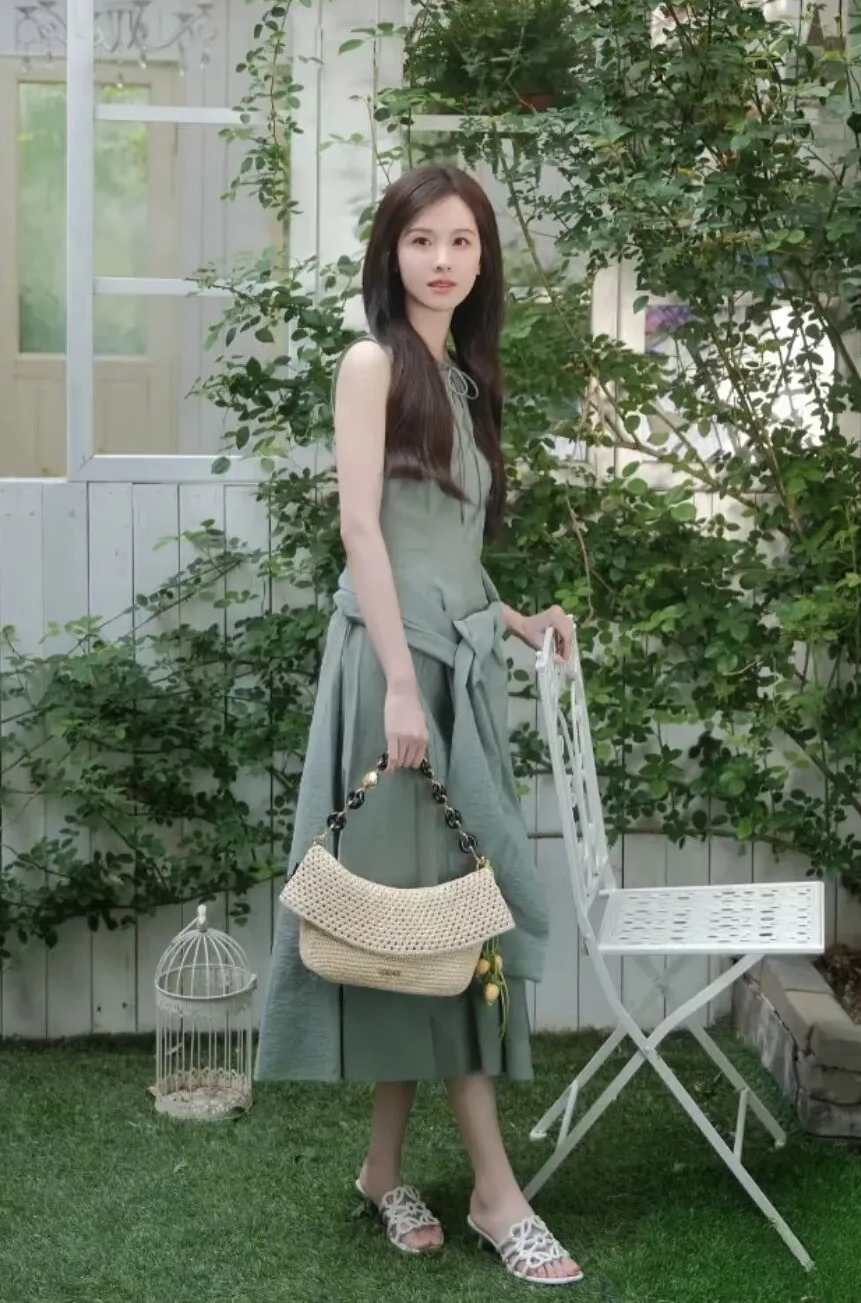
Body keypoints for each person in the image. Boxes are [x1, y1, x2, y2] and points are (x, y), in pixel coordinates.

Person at [255, 163, 582, 1286]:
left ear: (483, 260)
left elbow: (445, 547)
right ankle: (496, 1191)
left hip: (454, 671)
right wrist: (399, 683)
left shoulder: (464, 380)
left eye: (462, 241)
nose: (442, 260)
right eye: (421, 240)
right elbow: (363, 530)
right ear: (390, 254)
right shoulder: (371, 364)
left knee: (428, 928)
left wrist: (518, 616)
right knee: (434, 925)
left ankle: (384, 1169)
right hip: (393, 682)